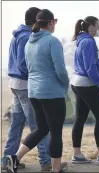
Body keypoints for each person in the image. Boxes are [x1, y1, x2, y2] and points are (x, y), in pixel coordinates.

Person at [5, 9, 69, 173]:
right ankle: (54, 169)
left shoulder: (29, 42)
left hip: (34, 92)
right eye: (55, 21)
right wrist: (65, 84)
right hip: (52, 92)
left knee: (41, 129)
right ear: (50, 23)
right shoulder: (52, 41)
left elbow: (29, 68)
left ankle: (14, 158)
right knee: (55, 132)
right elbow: (60, 70)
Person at [2, 7, 52, 171]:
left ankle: (7, 161)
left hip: (15, 85)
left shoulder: (17, 35)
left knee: (16, 125)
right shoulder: (26, 37)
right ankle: (46, 162)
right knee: (39, 126)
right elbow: (24, 65)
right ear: (34, 20)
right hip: (25, 86)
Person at [70, 16, 99, 164]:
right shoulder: (89, 42)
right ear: (90, 27)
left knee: (80, 119)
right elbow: (91, 69)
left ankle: (77, 154)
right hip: (87, 84)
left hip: (77, 83)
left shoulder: (81, 41)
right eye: (97, 26)